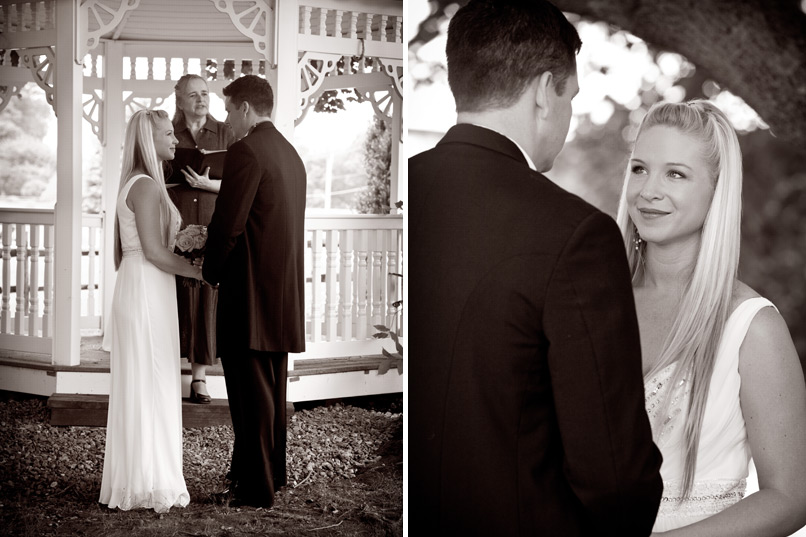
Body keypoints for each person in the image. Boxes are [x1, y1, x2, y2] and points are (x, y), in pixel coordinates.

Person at [408, 1, 663, 535]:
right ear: (546, 91)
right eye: (571, 96)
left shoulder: (405, 192)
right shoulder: (576, 236)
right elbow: (615, 478)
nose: (567, 115)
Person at [616, 100, 806, 535]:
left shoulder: (751, 327)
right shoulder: (594, 304)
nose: (648, 191)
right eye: (639, 168)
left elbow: (791, 497)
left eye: (676, 174)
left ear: (717, 191)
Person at [202, 75, 307, 509]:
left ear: (245, 107)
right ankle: (267, 476)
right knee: (270, 393)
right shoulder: (291, 153)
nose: (227, 120)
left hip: (249, 294)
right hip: (280, 295)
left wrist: (209, 269)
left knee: (251, 397)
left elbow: (229, 224)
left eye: (228, 110)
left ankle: (256, 489)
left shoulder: (246, 150)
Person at [100, 109, 204, 512]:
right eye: (168, 135)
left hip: (147, 286)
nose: (175, 140)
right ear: (149, 140)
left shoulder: (143, 183)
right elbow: (156, 252)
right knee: (151, 381)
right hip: (146, 287)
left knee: (152, 382)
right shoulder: (144, 187)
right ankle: (149, 481)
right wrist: (199, 271)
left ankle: (144, 477)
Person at [167, 73, 235, 404]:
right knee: (173, 298)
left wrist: (210, 185)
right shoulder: (168, 133)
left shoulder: (226, 132)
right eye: (193, 95)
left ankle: (199, 377)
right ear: (179, 99)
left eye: (205, 93)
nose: (201, 100)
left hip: (212, 226)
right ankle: (165, 370)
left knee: (206, 300)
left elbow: (243, 183)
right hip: (176, 228)